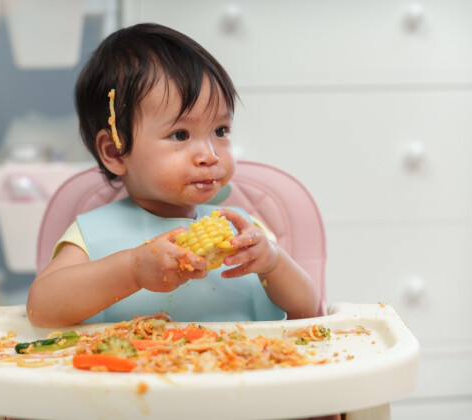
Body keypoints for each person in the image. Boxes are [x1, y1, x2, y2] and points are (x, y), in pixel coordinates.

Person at [26, 23, 319, 327]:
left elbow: (309, 310)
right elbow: (40, 309)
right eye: (180, 135)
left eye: (220, 131)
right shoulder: (92, 235)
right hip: (126, 373)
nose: (210, 155)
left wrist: (272, 264)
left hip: (244, 369)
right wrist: (132, 270)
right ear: (114, 151)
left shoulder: (245, 230)